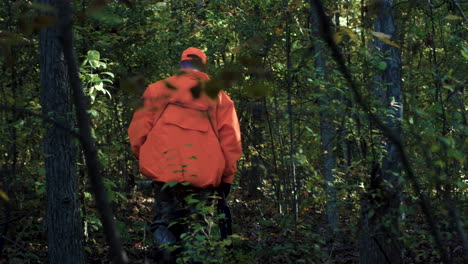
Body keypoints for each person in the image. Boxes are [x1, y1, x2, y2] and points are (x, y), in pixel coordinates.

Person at [128, 47, 242, 263]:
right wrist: (227, 177)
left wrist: (147, 159)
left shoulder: (157, 90)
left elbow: (137, 133)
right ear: (203, 66)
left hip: (164, 174)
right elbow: (231, 142)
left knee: (164, 222)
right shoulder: (218, 96)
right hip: (204, 178)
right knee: (198, 228)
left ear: (181, 65)